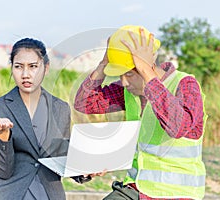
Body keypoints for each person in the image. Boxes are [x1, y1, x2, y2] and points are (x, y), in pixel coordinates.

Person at [74, 25, 207, 199]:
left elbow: (178, 127)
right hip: (135, 189)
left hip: (177, 194)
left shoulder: (185, 84)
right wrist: (104, 63)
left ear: (148, 65)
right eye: (120, 74)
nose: (124, 82)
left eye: (129, 74)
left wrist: (146, 73)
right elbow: (85, 103)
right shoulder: (127, 91)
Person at [0, 38, 91, 200]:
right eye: (18, 67)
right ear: (12, 68)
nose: (26, 74)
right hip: (9, 194)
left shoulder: (60, 108)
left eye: (33, 66)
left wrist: (84, 171)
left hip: (48, 193)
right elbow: (2, 171)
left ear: (45, 68)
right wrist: (3, 136)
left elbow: (60, 156)